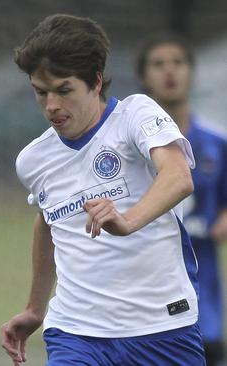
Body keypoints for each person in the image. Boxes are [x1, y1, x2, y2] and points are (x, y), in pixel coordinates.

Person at [0, 14, 206, 365]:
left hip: (161, 327)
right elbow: (49, 222)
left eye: (64, 90)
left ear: (95, 82)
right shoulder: (33, 160)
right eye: (40, 92)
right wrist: (35, 308)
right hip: (75, 332)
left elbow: (177, 175)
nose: (51, 105)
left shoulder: (134, 115)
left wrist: (126, 220)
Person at [137, 33, 227, 366]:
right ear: (144, 77)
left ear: (191, 72)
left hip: (202, 288)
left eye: (178, 62)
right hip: (144, 291)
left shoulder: (217, 142)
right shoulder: (130, 147)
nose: (169, 71)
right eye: (158, 64)